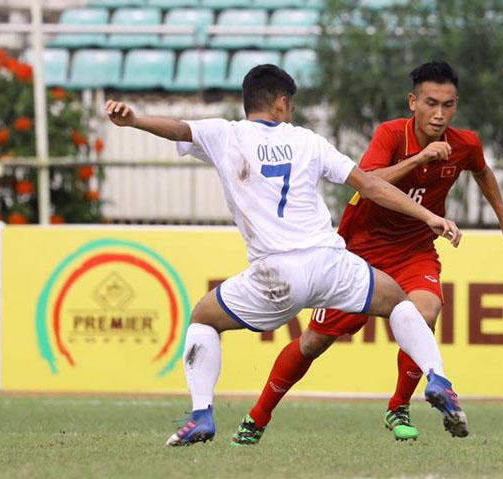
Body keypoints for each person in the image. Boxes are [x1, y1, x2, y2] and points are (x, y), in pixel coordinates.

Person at [104, 64, 468, 447]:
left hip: (276, 274)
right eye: (290, 105)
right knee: (398, 301)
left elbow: (178, 128)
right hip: (330, 263)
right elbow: (372, 185)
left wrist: (134, 120)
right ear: (281, 103)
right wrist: (429, 216)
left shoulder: (224, 133)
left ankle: (201, 415)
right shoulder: (309, 141)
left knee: (203, 319)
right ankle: (437, 377)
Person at [235, 61, 503, 445]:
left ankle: (398, 407)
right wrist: (421, 159)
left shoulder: (465, 143)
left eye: (448, 104)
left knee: (426, 313)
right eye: (431, 103)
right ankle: (257, 418)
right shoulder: (391, 135)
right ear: (413, 102)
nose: (440, 114)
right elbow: (368, 181)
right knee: (313, 343)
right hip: (360, 255)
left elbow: (482, 170)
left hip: (414, 252)